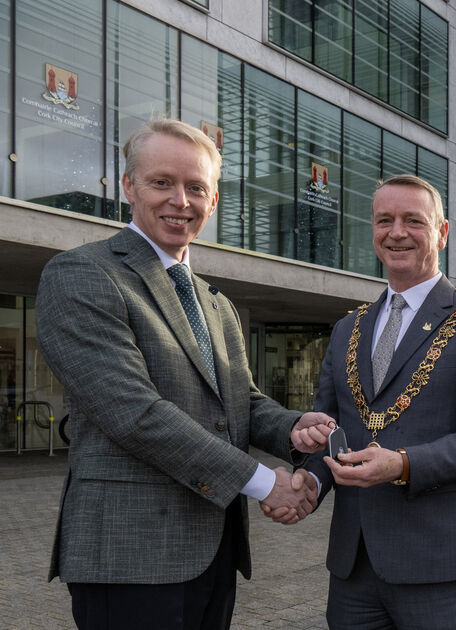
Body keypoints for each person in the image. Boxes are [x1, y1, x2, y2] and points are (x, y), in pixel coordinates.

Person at [36, 118, 335, 630]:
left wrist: (292, 429)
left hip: (213, 551)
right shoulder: (82, 275)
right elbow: (135, 413)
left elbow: (240, 401)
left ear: (213, 201)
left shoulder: (215, 302)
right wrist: (265, 482)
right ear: (128, 185)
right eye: (162, 182)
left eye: (196, 188)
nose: (180, 200)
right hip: (130, 557)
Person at [293, 174, 456, 629]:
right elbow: (331, 428)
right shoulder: (346, 328)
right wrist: (311, 482)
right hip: (355, 566)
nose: (396, 232)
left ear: (442, 232)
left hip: (441, 565)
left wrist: (402, 465)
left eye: (413, 220)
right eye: (384, 220)